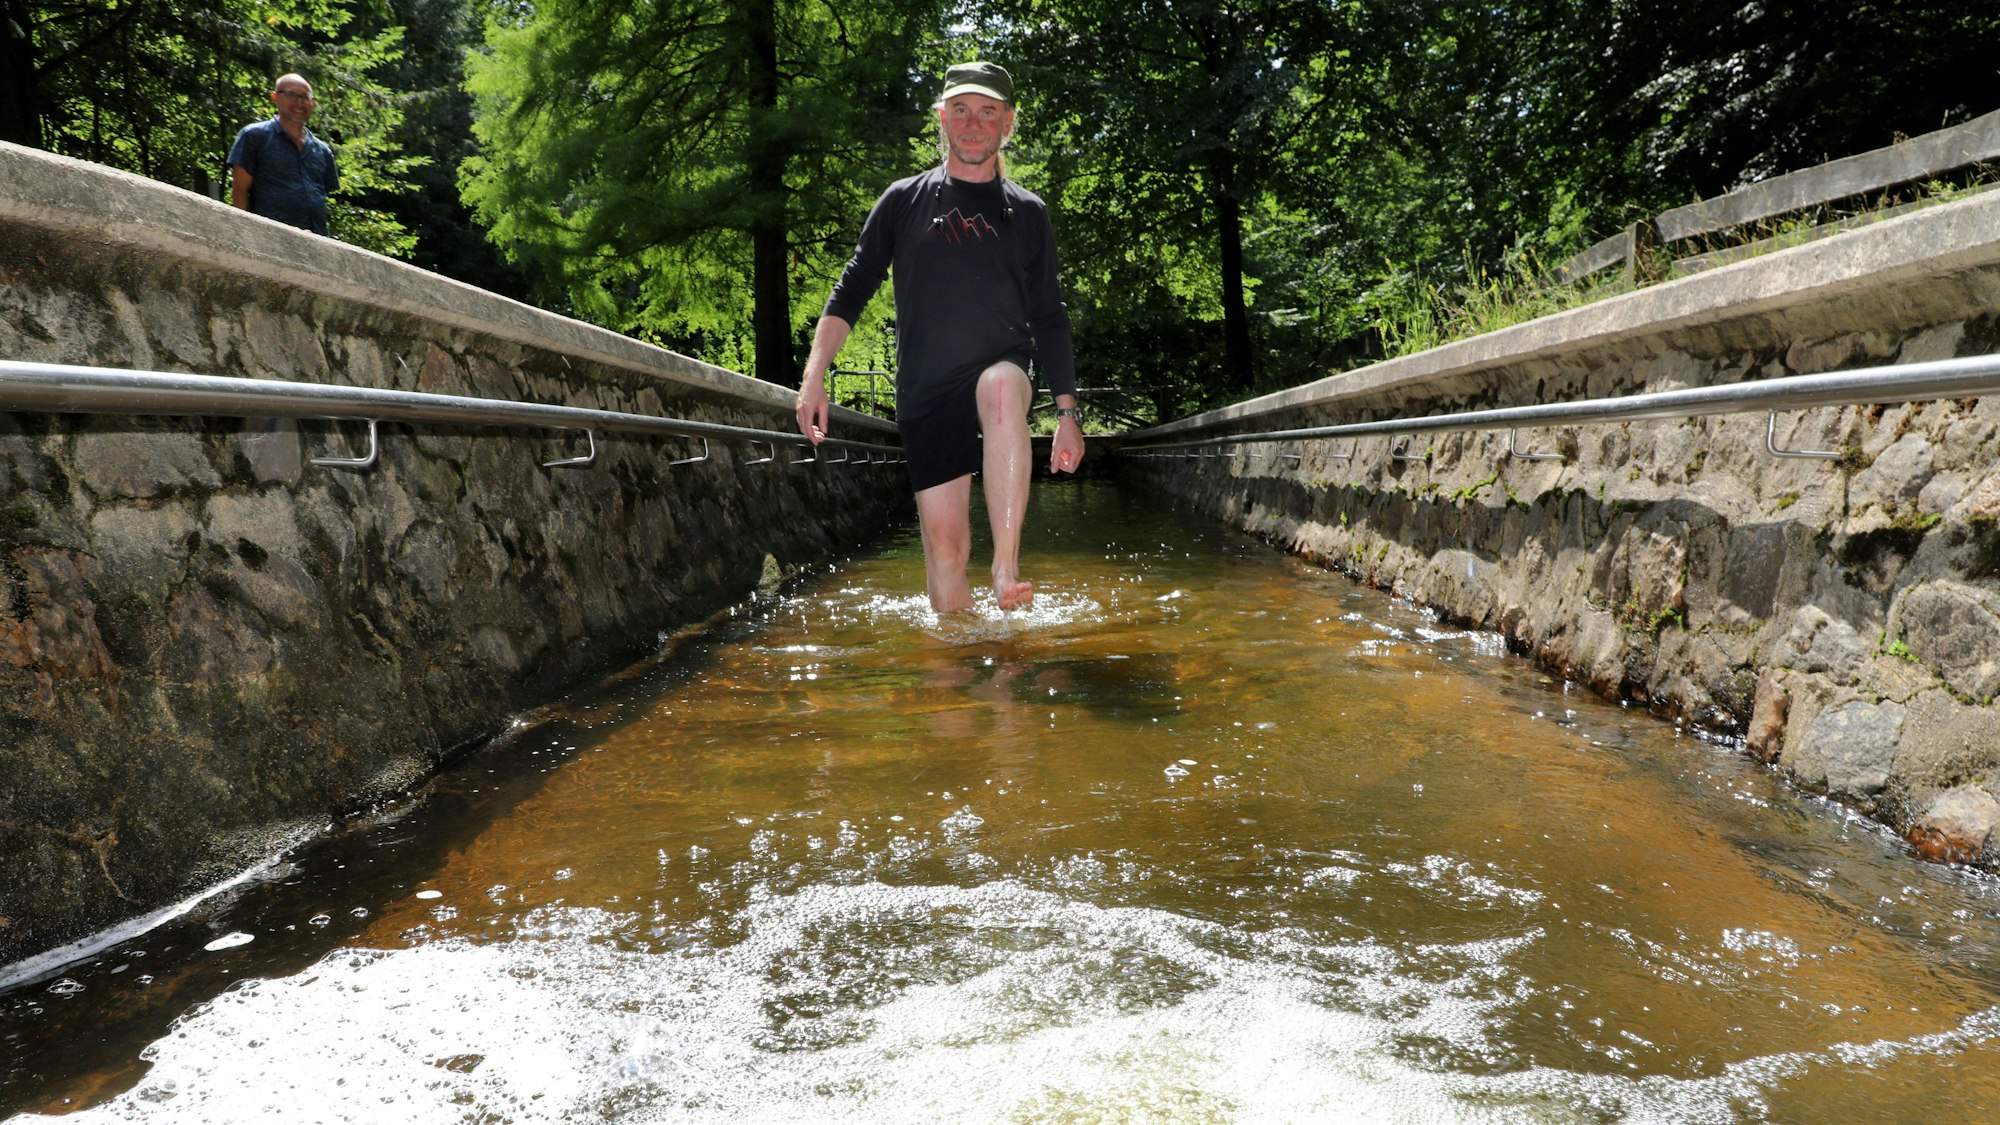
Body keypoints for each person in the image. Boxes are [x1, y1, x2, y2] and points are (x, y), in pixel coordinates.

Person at [794, 61, 1086, 614]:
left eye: (988, 112)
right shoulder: (902, 201)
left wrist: (1068, 414)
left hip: (999, 372)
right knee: (946, 552)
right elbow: (851, 289)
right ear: (942, 119)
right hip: (925, 391)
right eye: (961, 110)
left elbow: (1049, 315)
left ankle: (1006, 569)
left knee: (1001, 387)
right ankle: (955, 685)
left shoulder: (1027, 214)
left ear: (1008, 125)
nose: (973, 123)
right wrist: (813, 378)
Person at [226, 73, 339, 236]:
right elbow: (239, 191)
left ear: (312, 103)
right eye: (291, 95)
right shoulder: (254, 136)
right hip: (268, 238)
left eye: (305, 97)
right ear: (275, 97)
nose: (299, 103)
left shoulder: (322, 151)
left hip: (316, 244)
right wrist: (243, 234)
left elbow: (319, 199)